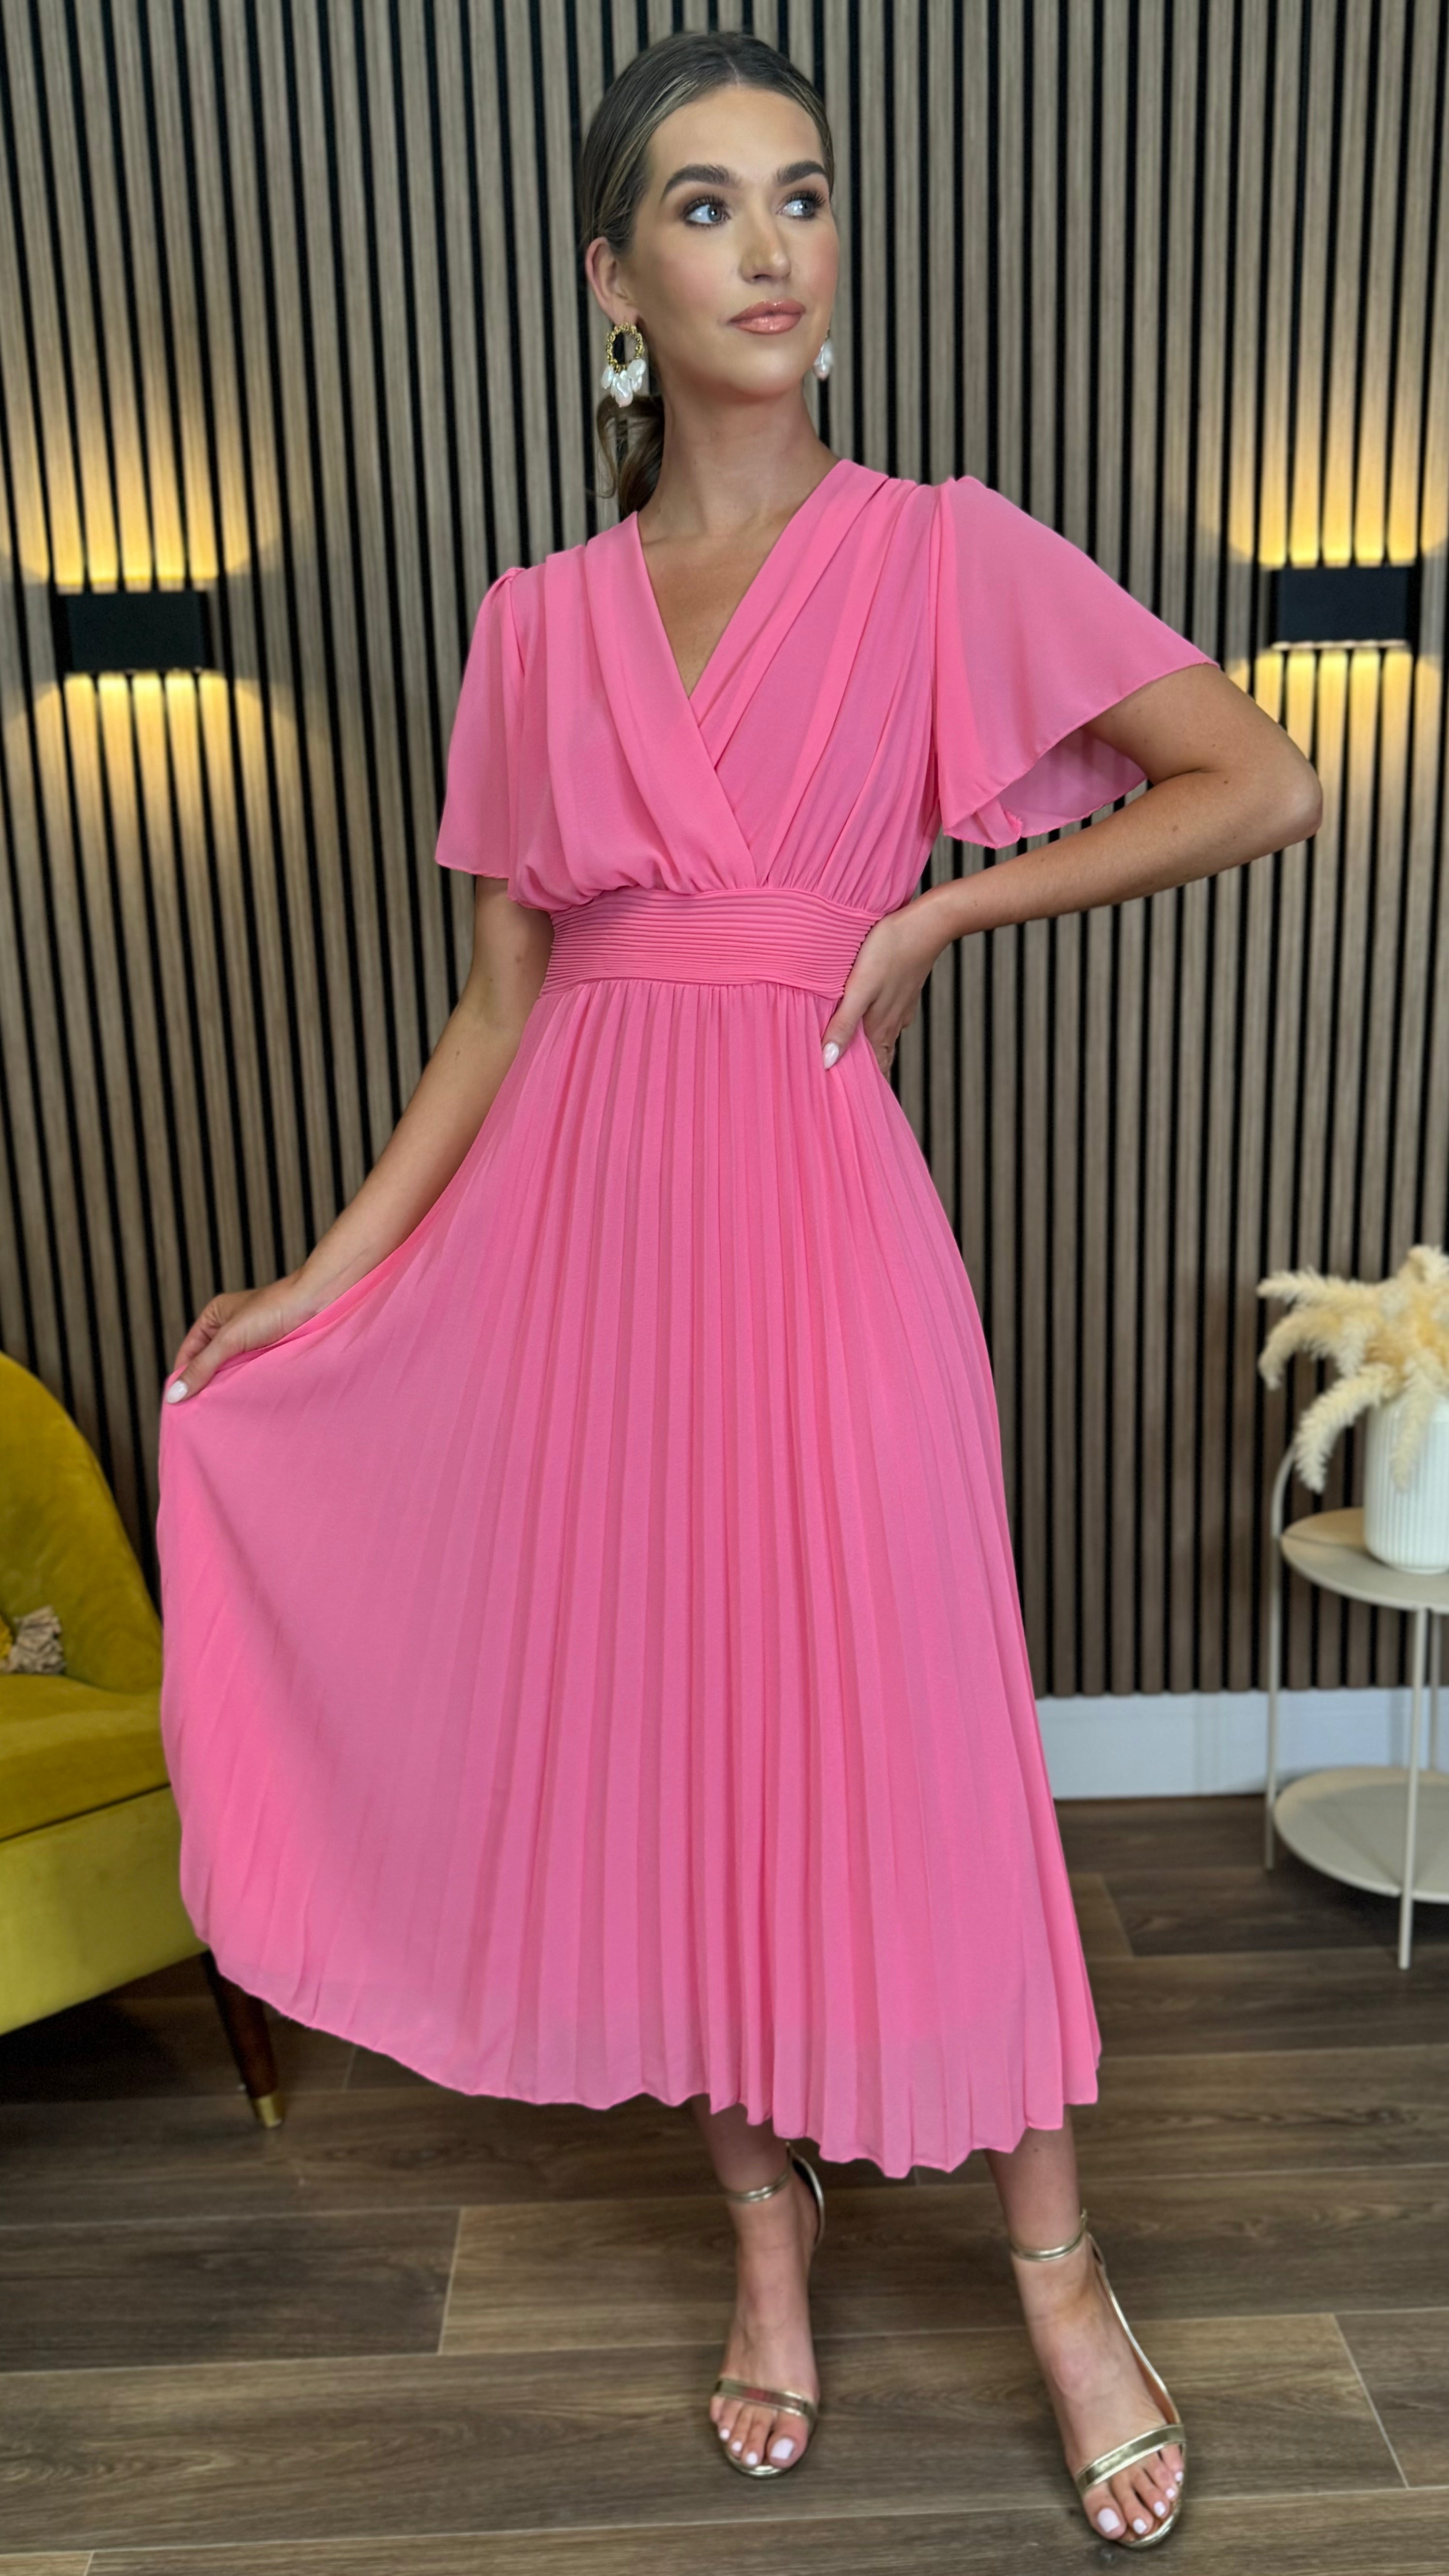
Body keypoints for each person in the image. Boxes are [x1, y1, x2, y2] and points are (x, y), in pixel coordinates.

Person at [154, 28, 1321, 2552]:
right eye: (704, 207)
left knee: (921, 1744)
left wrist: (943, 911)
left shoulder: (940, 550)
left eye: (801, 194)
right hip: (581, 1253)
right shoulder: (533, 621)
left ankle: (1055, 2273)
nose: (771, 247)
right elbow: (497, 1010)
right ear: (616, 280)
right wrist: (320, 1280)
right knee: (670, 1742)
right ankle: (765, 2235)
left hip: (818, 1225)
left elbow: (1259, 775)